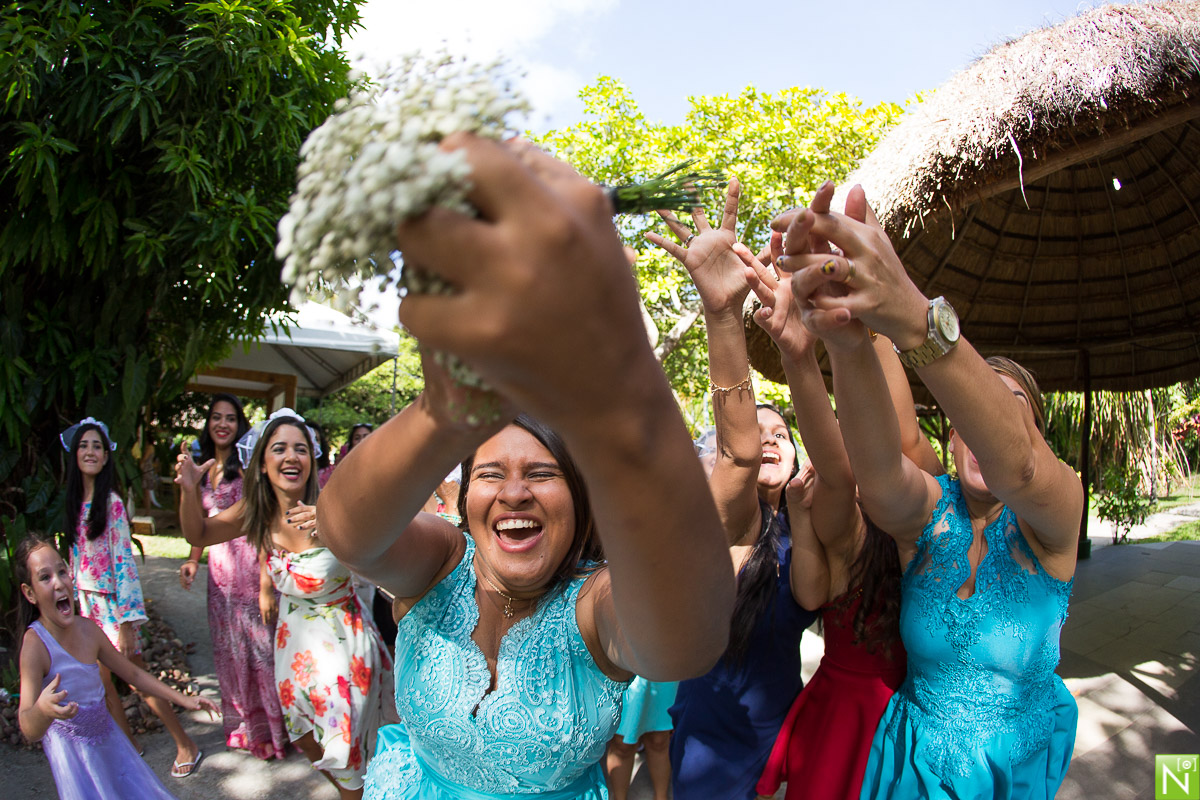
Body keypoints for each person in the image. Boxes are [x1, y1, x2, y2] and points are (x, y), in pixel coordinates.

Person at [315, 133, 735, 799]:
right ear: (463, 494)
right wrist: (445, 408)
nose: (514, 492)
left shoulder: (596, 605)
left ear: (580, 498)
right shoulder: (438, 566)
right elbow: (351, 536)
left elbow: (684, 644)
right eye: (489, 473)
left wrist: (621, 372)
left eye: (542, 474)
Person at [782, 184, 1082, 799]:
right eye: (964, 420)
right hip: (910, 772)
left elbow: (1019, 468)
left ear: (1035, 432)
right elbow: (877, 472)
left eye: (1005, 410)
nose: (978, 430)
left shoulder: (1056, 516)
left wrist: (918, 320)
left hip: (1012, 779)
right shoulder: (930, 517)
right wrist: (847, 342)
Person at [738, 183, 941, 800]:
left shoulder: (924, 498)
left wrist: (867, 310)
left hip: (908, 720)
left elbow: (901, 436)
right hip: (842, 716)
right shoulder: (836, 514)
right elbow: (837, 465)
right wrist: (801, 357)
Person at [646, 180, 817, 800]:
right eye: (761, 429)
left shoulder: (810, 533)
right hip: (706, 747)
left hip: (782, 741)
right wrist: (724, 316)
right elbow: (739, 454)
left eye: (783, 433)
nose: (769, 439)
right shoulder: (717, 522)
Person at [177, 409, 394, 799]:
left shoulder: (334, 506)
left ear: (312, 461)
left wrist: (336, 528)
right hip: (292, 643)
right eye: (280, 449)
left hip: (343, 643)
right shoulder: (256, 512)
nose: (291, 456)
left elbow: (383, 549)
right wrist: (189, 490)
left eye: (301, 449)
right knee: (304, 736)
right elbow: (198, 531)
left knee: (345, 754)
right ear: (262, 463)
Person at [17, 536, 219, 799]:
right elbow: (28, 728)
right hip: (77, 761)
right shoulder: (35, 645)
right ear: (29, 593)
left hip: (111, 744)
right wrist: (42, 710)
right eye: (45, 577)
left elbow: (132, 673)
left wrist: (183, 699)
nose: (58, 583)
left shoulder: (88, 629)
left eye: (62, 571)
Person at [62, 418, 205, 778]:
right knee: (102, 681)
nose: (91, 452)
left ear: (107, 455)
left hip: (113, 609)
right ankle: (128, 747)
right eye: (84, 446)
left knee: (139, 679)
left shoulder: (110, 504)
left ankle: (186, 744)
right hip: (87, 608)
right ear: (74, 454)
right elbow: (75, 563)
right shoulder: (75, 502)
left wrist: (126, 623)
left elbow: (123, 563)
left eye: (97, 446)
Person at [177, 394, 288, 760]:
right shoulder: (203, 468)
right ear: (207, 424)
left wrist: (265, 584)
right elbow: (203, 527)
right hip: (219, 573)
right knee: (229, 652)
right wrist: (195, 559)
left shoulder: (246, 469)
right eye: (215, 417)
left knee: (259, 652)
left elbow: (259, 524)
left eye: (230, 418)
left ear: (239, 425)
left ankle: (273, 731)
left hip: (250, 564)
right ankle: (243, 728)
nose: (222, 424)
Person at [605, 677, 676, 800]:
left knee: (659, 739)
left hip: (663, 670)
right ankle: (619, 797)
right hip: (626, 670)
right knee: (622, 744)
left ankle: (661, 797)